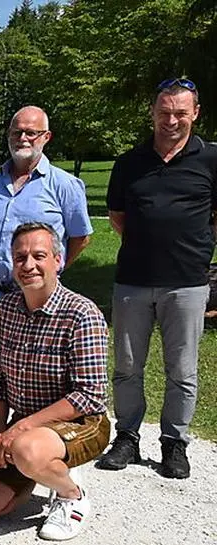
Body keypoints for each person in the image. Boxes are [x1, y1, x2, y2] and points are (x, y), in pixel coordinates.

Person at [96, 78, 217, 480]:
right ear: (152, 112)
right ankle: (127, 436)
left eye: (181, 113)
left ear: (195, 114)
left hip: (187, 283)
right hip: (132, 281)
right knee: (128, 366)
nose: (171, 120)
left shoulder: (211, 160)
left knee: (182, 370)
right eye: (164, 112)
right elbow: (119, 219)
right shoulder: (129, 163)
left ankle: (174, 443)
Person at [0, 222, 110, 541]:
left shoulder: (82, 314)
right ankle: (41, 468)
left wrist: (20, 429)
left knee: (26, 448)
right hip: (25, 426)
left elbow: (89, 396)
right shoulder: (5, 309)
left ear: (58, 260)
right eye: (20, 257)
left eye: (38, 255)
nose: (28, 265)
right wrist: (0, 431)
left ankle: (71, 495)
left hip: (82, 422)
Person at [0, 106, 92, 370]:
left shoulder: (65, 185)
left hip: (41, 298)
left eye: (31, 133)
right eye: (16, 132)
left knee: (39, 371)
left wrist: (52, 271)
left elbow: (80, 237)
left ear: (46, 137)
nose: (22, 138)